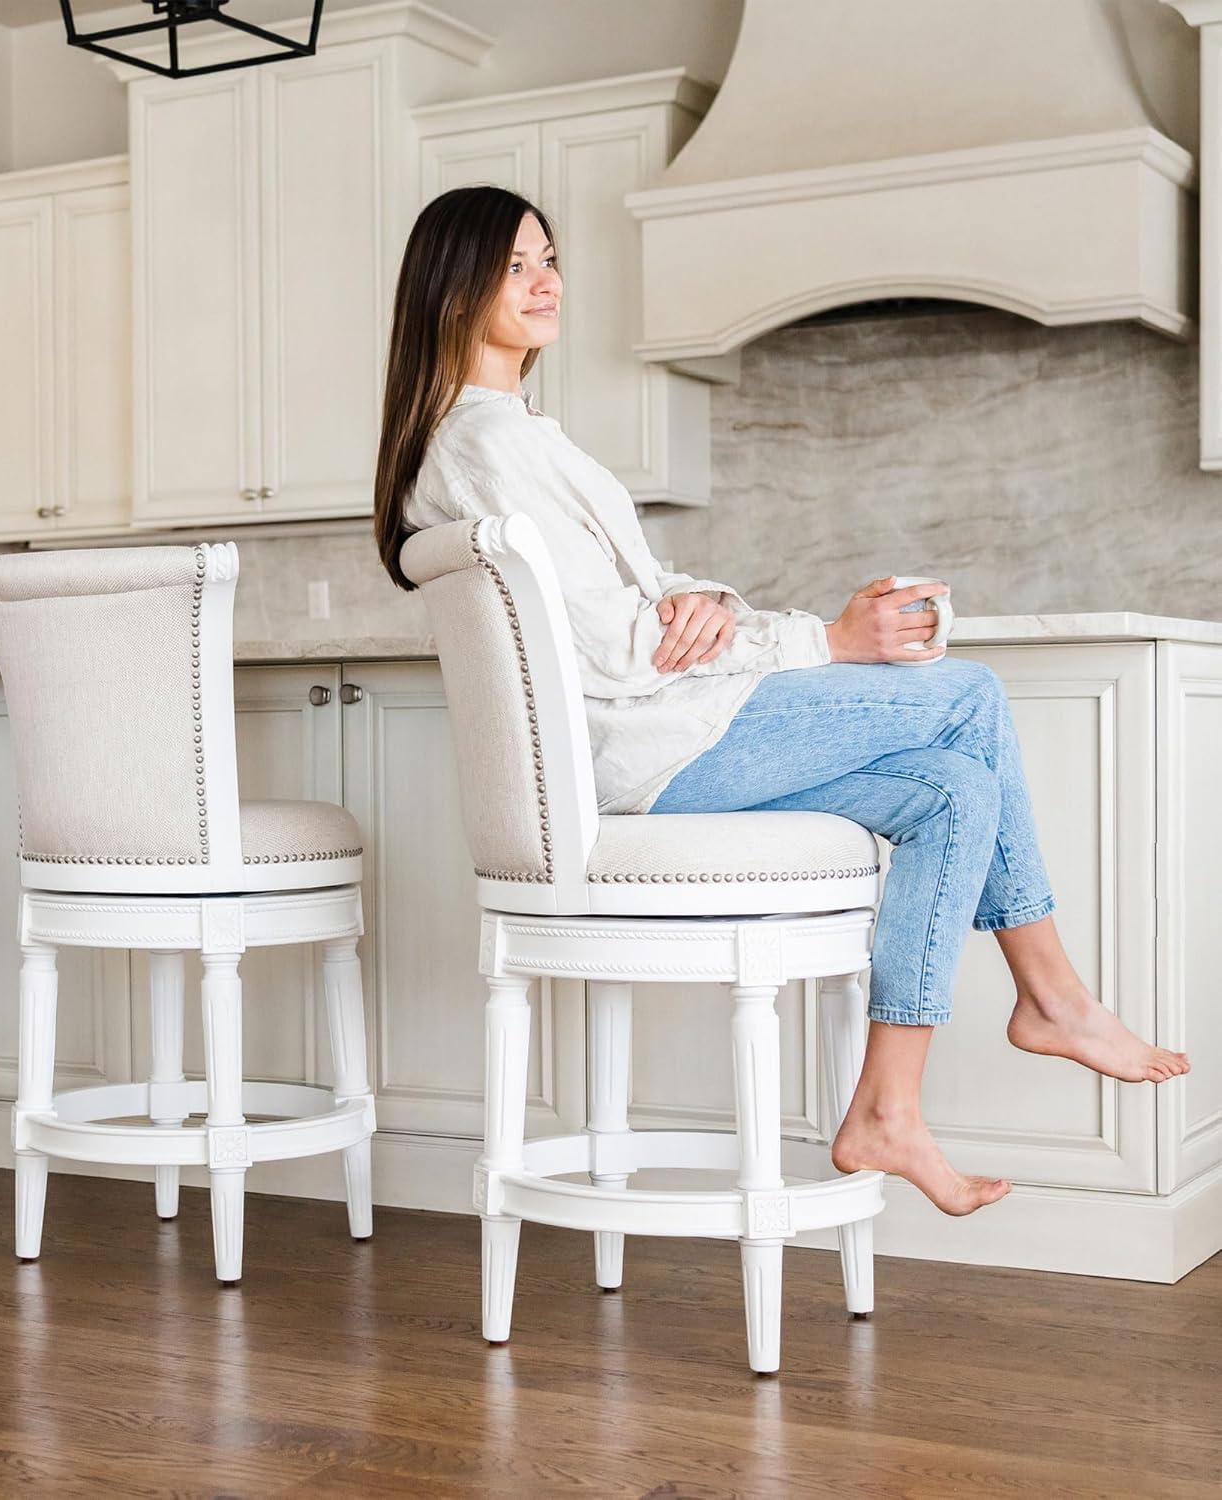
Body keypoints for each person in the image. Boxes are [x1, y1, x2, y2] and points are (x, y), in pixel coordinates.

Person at [373, 185, 1188, 1217]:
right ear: (453, 289)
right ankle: (1056, 998)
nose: (548, 282)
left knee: (950, 793)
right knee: (968, 695)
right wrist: (827, 639)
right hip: (645, 752)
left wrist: (698, 598)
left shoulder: (507, 438)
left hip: (652, 737)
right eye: (517, 265)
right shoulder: (488, 446)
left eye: (551, 258)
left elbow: (634, 598)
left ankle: (888, 1110)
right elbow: (617, 651)